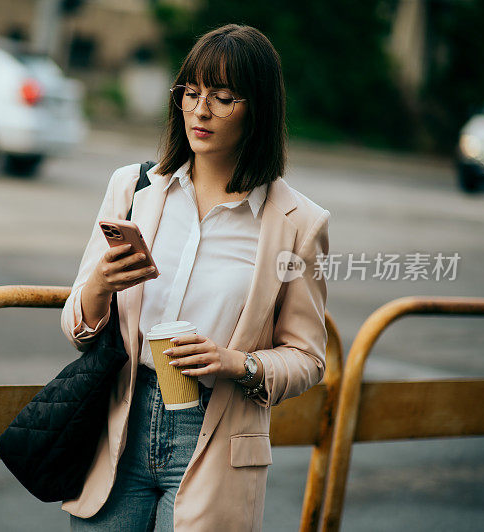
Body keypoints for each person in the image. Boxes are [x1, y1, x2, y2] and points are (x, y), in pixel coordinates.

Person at [60, 23, 330, 531]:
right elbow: (75, 325)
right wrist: (99, 284)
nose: (201, 111)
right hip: (122, 419)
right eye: (191, 92)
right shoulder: (134, 188)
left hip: (215, 430)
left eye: (223, 97)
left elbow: (308, 358)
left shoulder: (298, 224)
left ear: (258, 110)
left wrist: (235, 363)